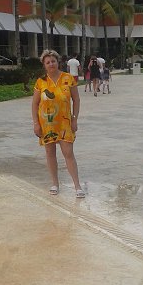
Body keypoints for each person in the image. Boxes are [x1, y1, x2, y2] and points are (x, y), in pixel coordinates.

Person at [32, 49, 85, 198]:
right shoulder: (41, 82)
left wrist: (74, 119)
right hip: (47, 123)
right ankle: (55, 183)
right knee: (50, 153)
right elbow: (35, 104)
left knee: (68, 153)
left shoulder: (68, 78)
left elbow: (76, 99)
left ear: (58, 62)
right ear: (44, 65)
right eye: (47, 62)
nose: (51, 64)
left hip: (64, 123)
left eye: (53, 61)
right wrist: (36, 123)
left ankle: (77, 186)